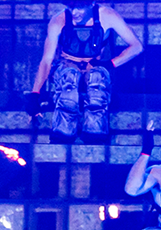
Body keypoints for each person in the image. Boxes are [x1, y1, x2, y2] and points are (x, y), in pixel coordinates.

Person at [25, 0, 143, 143]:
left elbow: (136, 46)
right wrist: (35, 94)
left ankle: (95, 135)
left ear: (91, 4)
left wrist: (108, 64)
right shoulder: (58, 20)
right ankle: (62, 134)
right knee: (69, 77)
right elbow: (47, 59)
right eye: (71, 8)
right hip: (67, 67)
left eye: (80, 8)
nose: (75, 13)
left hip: (92, 68)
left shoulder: (107, 15)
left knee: (97, 78)